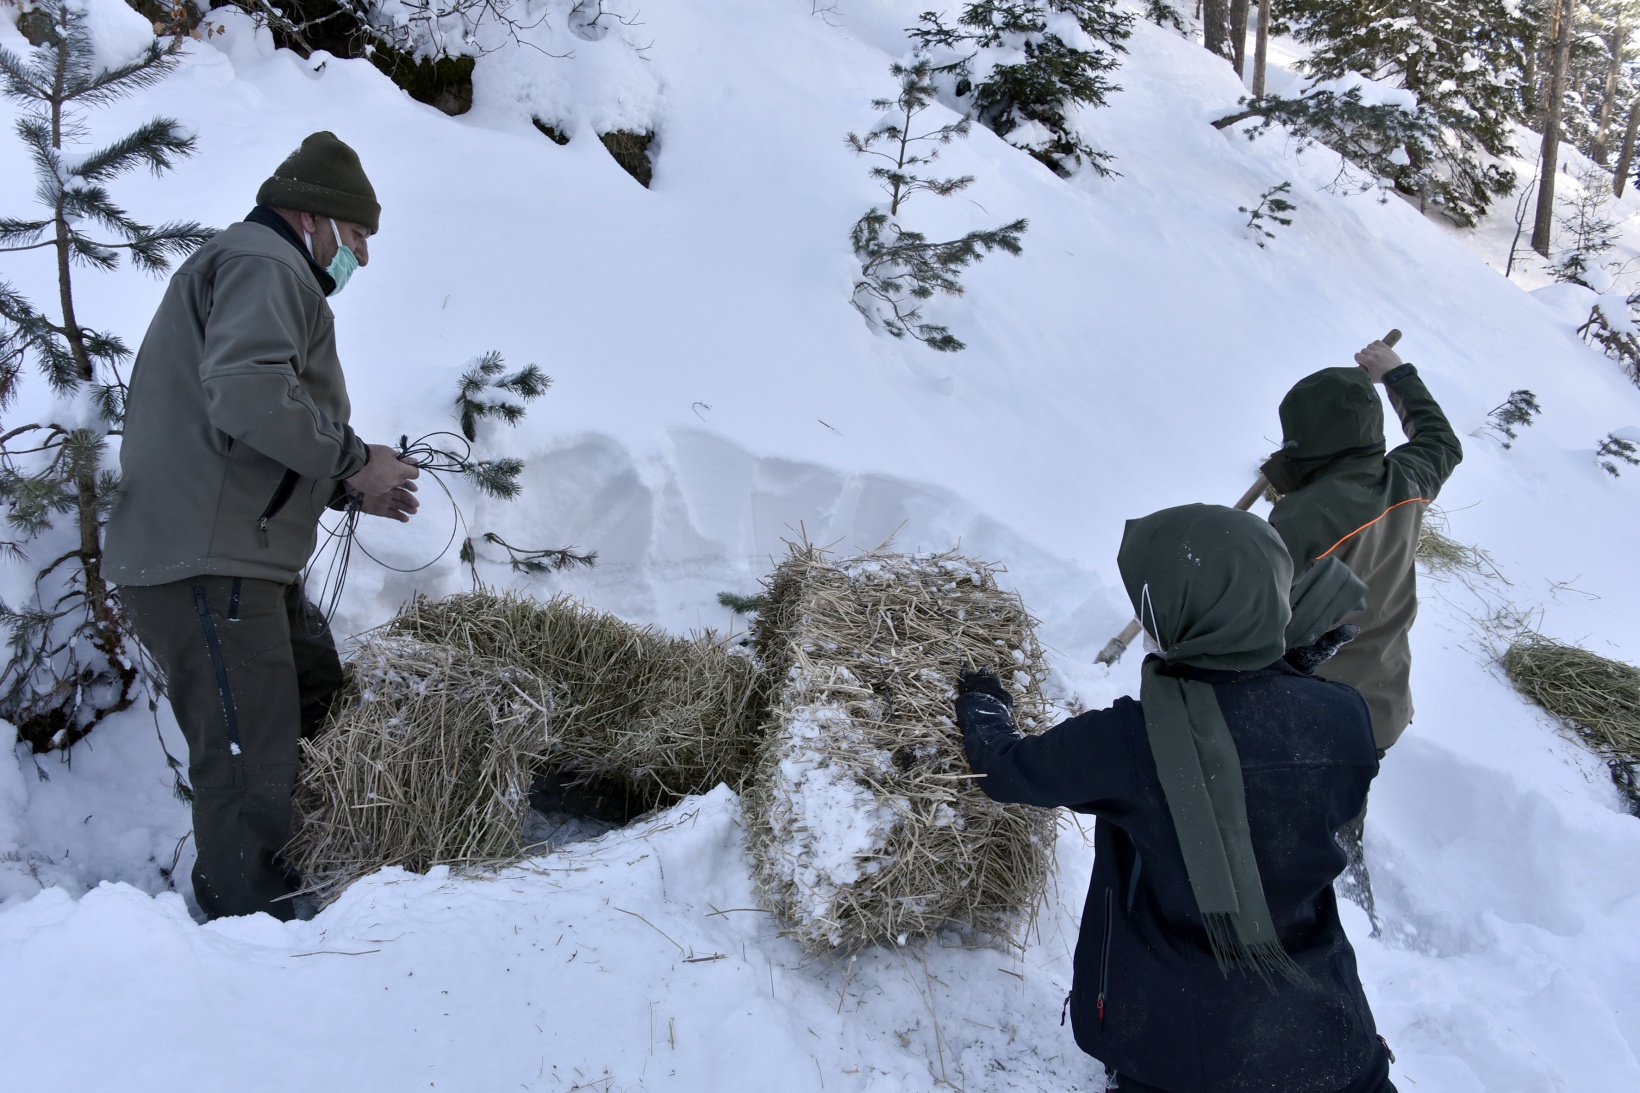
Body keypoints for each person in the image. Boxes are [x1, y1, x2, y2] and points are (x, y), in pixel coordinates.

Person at [956, 504, 1394, 1093]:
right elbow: (1273, 768)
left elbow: (1007, 772)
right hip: (1332, 1042)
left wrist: (982, 699)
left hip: (1184, 1051)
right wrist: (1288, 675)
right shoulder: (1344, 717)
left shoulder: (1134, 741)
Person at [104, 131, 422, 921]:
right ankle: (249, 945)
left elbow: (251, 430)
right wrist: (351, 459)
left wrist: (350, 485)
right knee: (251, 763)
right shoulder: (267, 262)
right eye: (356, 238)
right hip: (209, 564)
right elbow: (246, 396)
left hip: (239, 557)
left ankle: (327, 879)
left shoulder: (265, 268)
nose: (362, 259)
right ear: (310, 217)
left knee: (319, 702)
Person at [1263, 339, 1463, 755]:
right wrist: (1397, 374)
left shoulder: (1302, 518)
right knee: (1341, 814)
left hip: (1305, 724)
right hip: (1379, 711)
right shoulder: (1406, 478)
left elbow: (1253, 622)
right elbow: (1441, 441)